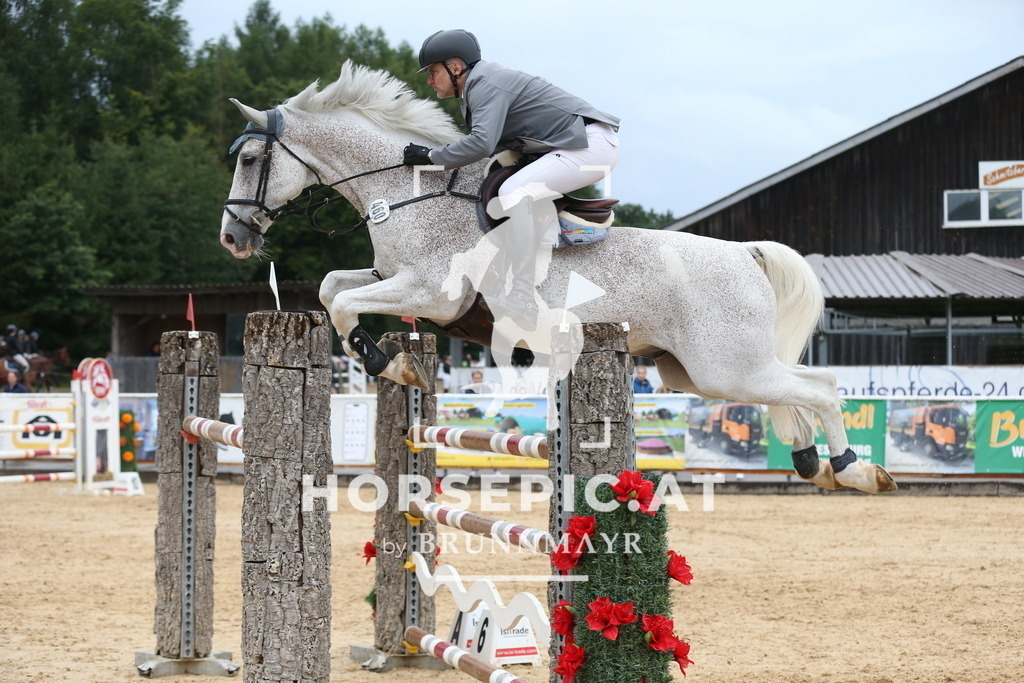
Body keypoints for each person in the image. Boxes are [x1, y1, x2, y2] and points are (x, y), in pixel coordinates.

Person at [405, 29, 620, 328]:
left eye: (433, 71)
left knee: (513, 191)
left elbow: (481, 144)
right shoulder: (480, 84)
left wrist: (431, 156)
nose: (429, 80)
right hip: (573, 145)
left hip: (588, 146)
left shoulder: (484, 84)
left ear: (455, 67)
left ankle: (523, 296)